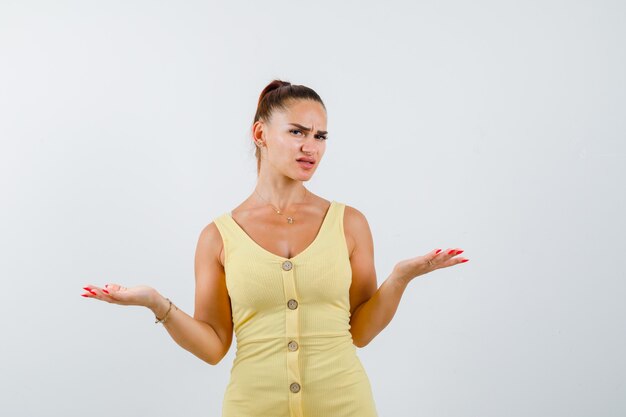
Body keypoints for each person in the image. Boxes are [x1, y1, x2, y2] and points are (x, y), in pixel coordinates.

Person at [81, 79, 469, 417]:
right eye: (298, 132)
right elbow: (214, 346)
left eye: (320, 136)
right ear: (261, 134)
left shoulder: (349, 223)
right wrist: (156, 304)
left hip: (345, 406)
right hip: (252, 408)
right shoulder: (217, 237)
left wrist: (401, 278)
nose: (311, 147)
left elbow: (361, 332)